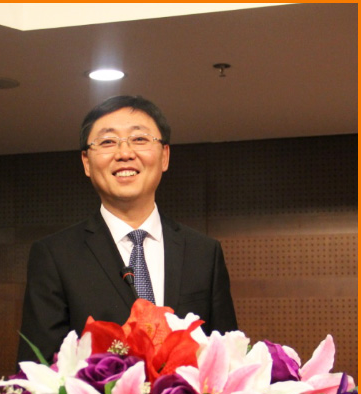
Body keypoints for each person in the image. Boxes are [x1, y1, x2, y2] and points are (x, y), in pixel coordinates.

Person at [18, 95, 237, 362]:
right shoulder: (54, 256)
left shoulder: (203, 252)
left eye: (139, 139)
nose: (124, 153)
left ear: (165, 156)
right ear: (86, 162)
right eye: (107, 142)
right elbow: (38, 368)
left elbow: (228, 358)